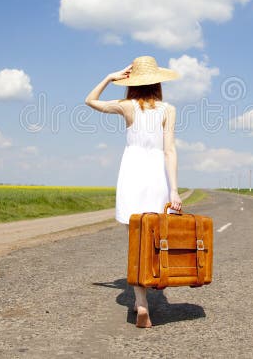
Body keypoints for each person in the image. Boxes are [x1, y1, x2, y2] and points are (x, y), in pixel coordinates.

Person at [85, 55, 183, 328]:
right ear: (158, 83)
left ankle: (141, 304)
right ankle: (155, 280)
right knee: (156, 236)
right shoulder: (168, 110)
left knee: (136, 240)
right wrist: (174, 190)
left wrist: (109, 77)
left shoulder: (126, 106)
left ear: (133, 83)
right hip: (156, 176)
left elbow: (90, 101)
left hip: (132, 174)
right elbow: (169, 150)